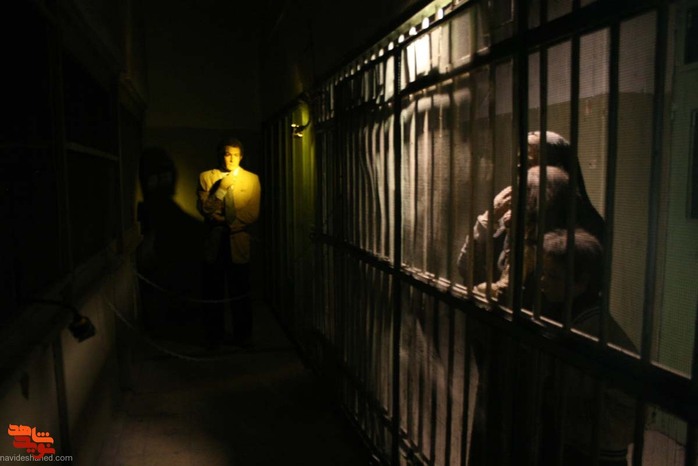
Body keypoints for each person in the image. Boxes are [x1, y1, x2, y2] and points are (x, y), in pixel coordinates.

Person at [457, 131, 605, 298]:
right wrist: (489, 217)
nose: (519, 170)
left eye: (528, 163)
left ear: (557, 169)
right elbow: (466, 269)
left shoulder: (587, 227)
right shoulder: (515, 213)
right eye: (518, 163)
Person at [537, 228, 636, 466]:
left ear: (581, 282)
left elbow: (566, 390)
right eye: (544, 273)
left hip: (596, 445)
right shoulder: (580, 314)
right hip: (590, 439)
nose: (543, 281)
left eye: (553, 276)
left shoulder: (586, 329)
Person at [197, 137, 261, 349]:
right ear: (220, 155)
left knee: (240, 291)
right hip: (214, 242)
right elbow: (206, 209)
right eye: (227, 154)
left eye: (235, 155)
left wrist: (225, 222)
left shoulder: (251, 179)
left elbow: (252, 213)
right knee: (213, 292)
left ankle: (243, 337)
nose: (231, 159)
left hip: (237, 241)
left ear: (241, 157)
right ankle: (214, 336)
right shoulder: (207, 177)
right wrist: (221, 188)